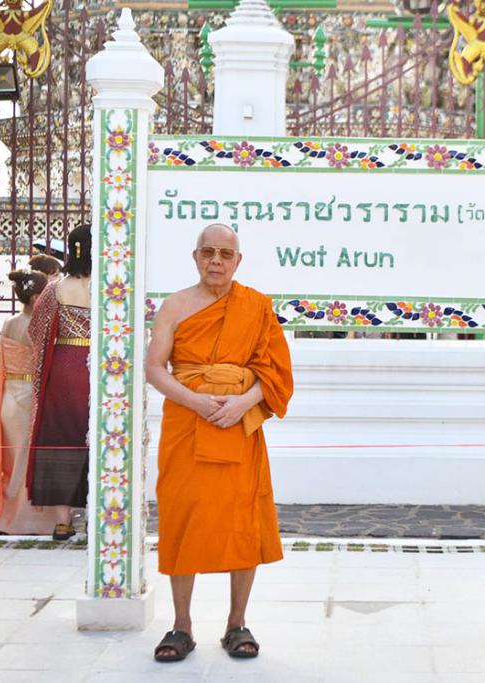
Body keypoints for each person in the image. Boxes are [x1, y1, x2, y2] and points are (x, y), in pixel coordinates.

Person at [147, 224, 293, 663]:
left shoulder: (256, 306)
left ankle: (237, 622)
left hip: (238, 425)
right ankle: (181, 624)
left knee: (241, 521)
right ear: (195, 257)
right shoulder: (174, 306)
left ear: (237, 261)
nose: (216, 260)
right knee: (183, 517)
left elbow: (276, 371)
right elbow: (155, 369)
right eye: (208, 252)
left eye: (225, 254)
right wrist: (195, 402)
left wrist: (242, 402)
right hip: (188, 425)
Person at [0, 269, 62, 535]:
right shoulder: (36, 326)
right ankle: (26, 521)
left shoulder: (9, 323)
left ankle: (5, 517)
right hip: (29, 397)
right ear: (36, 296)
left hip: (9, 399)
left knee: (12, 463)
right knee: (26, 463)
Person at [27, 225, 92, 541]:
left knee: (62, 443)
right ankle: (96, 515)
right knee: (99, 442)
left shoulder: (55, 289)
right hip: (101, 370)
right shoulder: (112, 288)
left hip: (63, 370)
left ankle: (62, 521)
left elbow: (35, 331)